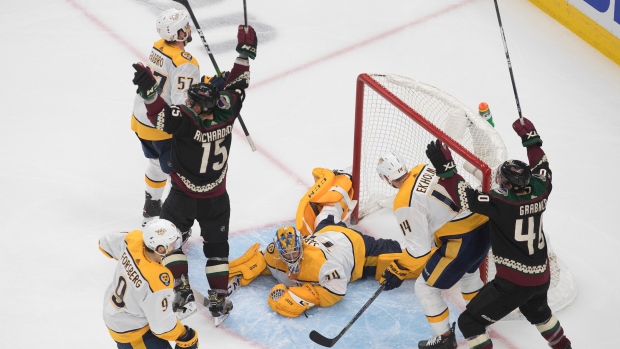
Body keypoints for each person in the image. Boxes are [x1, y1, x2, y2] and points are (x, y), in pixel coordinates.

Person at [130, 23, 257, 325]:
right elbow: (237, 85)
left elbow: (161, 115)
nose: (187, 102)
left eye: (191, 102)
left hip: (183, 196)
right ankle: (218, 298)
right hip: (216, 199)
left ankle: (182, 287)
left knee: (172, 240)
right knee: (216, 251)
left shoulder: (188, 122)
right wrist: (244, 53)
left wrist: (150, 92)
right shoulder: (227, 112)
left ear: (200, 107)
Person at [431, 117, 571, 349]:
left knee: (470, 322)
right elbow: (542, 166)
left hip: (514, 283)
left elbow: (465, 197)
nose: (498, 182)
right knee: (539, 313)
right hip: (540, 276)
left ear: (508, 185)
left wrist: (446, 172)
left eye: (501, 180)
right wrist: (531, 140)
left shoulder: (502, 202)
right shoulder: (540, 189)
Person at [225, 168, 420, 318]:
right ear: (277, 251)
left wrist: (303, 295)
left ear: (301, 246)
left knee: (402, 253)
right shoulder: (272, 255)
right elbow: (259, 259)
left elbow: (336, 290)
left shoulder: (322, 266)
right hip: (327, 232)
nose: (292, 256)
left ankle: (437, 246)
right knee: (326, 214)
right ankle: (343, 178)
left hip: (356, 247)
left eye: (295, 252)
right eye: (288, 253)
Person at [376, 149, 492, 349]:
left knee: (425, 287)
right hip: (484, 227)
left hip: (462, 240)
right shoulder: (422, 168)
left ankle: (444, 337)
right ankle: (482, 320)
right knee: (468, 274)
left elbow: (419, 249)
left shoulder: (403, 201)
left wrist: (399, 268)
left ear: (387, 178)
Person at [131, 8, 201, 228]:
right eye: (185, 27)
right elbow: (182, 105)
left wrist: (202, 82)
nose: (189, 29)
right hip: (162, 128)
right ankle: (175, 224)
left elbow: (169, 81)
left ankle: (150, 212)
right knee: (183, 178)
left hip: (141, 120)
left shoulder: (157, 46)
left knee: (155, 164)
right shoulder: (186, 62)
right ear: (179, 34)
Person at [99, 219, 199, 349]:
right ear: (161, 248)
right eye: (172, 242)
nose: (176, 243)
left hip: (119, 314)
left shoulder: (135, 240)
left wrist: (130, 261)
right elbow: (162, 327)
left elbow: (104, 243)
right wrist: (184, 335)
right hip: (132, 331)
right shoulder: (157, 280)